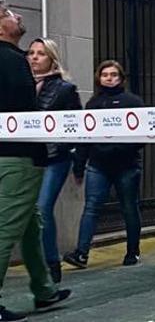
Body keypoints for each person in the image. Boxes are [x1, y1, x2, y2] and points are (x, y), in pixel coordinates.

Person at [0, 2, 71, 321]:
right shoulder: (13, 61)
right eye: (8, 13)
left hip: (9, 155)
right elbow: (25, 111)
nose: (16, 16)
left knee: (30, 223)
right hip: (18, 157)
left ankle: (44, 290)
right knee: (6, 228)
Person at [64, 61, 145, 269]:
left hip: (126, 165)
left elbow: (142, 135)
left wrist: (122, 148)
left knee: (129, 208)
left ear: (121, 78)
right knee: (91, 208)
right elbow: (85, 136)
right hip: (98, 165)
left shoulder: (133, 102)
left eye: (114, 74)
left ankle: (132, 252)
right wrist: (79, 165)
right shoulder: (92, 104)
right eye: (105, 74)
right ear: (99, 78)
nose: (109, 78)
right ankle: (81, 253)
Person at [29, 38, 83, 284]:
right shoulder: (22, 84)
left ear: (51, 58)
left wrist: (78, 161)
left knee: (42, 209)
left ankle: (52, 262)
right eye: (31, 53)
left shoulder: (64, 89)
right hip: (29, 157)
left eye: (41, 53)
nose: (35, 57)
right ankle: (41, 265)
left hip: (56, 157)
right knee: (31, 213)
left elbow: (79, 127)